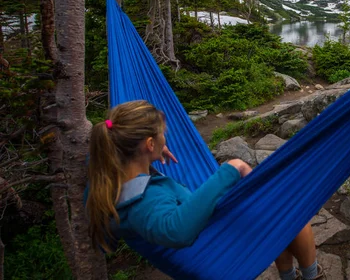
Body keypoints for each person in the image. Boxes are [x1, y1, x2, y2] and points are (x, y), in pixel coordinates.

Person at [86, 100, 324, 280]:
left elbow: (138, 187)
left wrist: (150, 157)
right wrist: (232, 168)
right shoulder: (144, 202)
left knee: (273, 215)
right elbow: (176, 230)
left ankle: (289, 277)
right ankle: (311, 277)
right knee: (294, 220)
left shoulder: (108, 180)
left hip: (204, 235)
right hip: (211, 247)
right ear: (148, 144)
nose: (164, 140)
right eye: (161, 136)